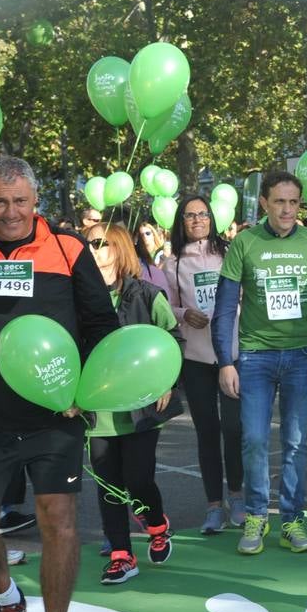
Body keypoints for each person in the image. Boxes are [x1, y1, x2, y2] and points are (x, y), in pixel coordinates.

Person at [0, 156, 118, 612]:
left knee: (58, 522)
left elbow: (101, 326)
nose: (11, 212)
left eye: (20, 201)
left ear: (36, 201)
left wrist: (84, 389)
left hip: (54, 416)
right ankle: (9, 601)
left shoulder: (68, 249)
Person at [212, 171, 307, 556]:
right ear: (265, 204)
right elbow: (224, 309)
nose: (287, 209)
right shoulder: (245, 242)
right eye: (280, 202)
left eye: (293, 202)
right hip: (255, 358)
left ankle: (291, 520)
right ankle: (256, 515)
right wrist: (226, 360)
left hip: (302, 356)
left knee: (295, 442)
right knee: (253, 440)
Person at [83, 222, 184, 585]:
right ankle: (121, 555)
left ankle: (157, 525)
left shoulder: (146, 295)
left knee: (138, 479)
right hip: (98, 410)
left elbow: (172, 337)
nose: (92, 250)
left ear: (120, 247)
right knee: (108, 484)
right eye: (88, 243)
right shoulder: (79, 297)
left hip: (141, 407)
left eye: (100, 243)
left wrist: (166, 381)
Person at [163, 196, 244, 533]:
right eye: (190, 215)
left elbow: (245, 295)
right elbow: (166, 308)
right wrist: (184, 314)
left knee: (234, 430)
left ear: (214, 218)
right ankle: (214, 506)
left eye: (203, 214)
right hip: (195, 359)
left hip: (233, 356)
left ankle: (238, 498)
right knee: (207, 432)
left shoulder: (231, 254)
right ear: (181, 222)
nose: (197, 220)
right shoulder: (173, 264)